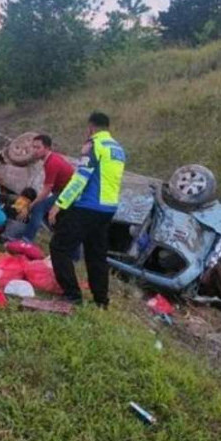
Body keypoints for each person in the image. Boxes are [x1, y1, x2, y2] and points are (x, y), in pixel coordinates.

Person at [48, 112, 126, 308]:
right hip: (108, 208)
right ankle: (101, 300)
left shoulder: (93, 145)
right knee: (96, 254)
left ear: (91, 127)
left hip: (88, 206)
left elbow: (81, 178)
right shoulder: (118, 149)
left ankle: (72, 295)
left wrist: (59, 204)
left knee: (59, 246)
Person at [21, 134, 75, 242]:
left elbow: (46, 190)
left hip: (67, 193)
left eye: (38, 147)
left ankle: (26, 240)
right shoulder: (51, 158)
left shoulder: (52, 163)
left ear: (47, 148)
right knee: (64, 223)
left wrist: (32, 204)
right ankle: (74, 254)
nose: (35, 150)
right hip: (65, 192)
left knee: (38, 208)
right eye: (33, 147)